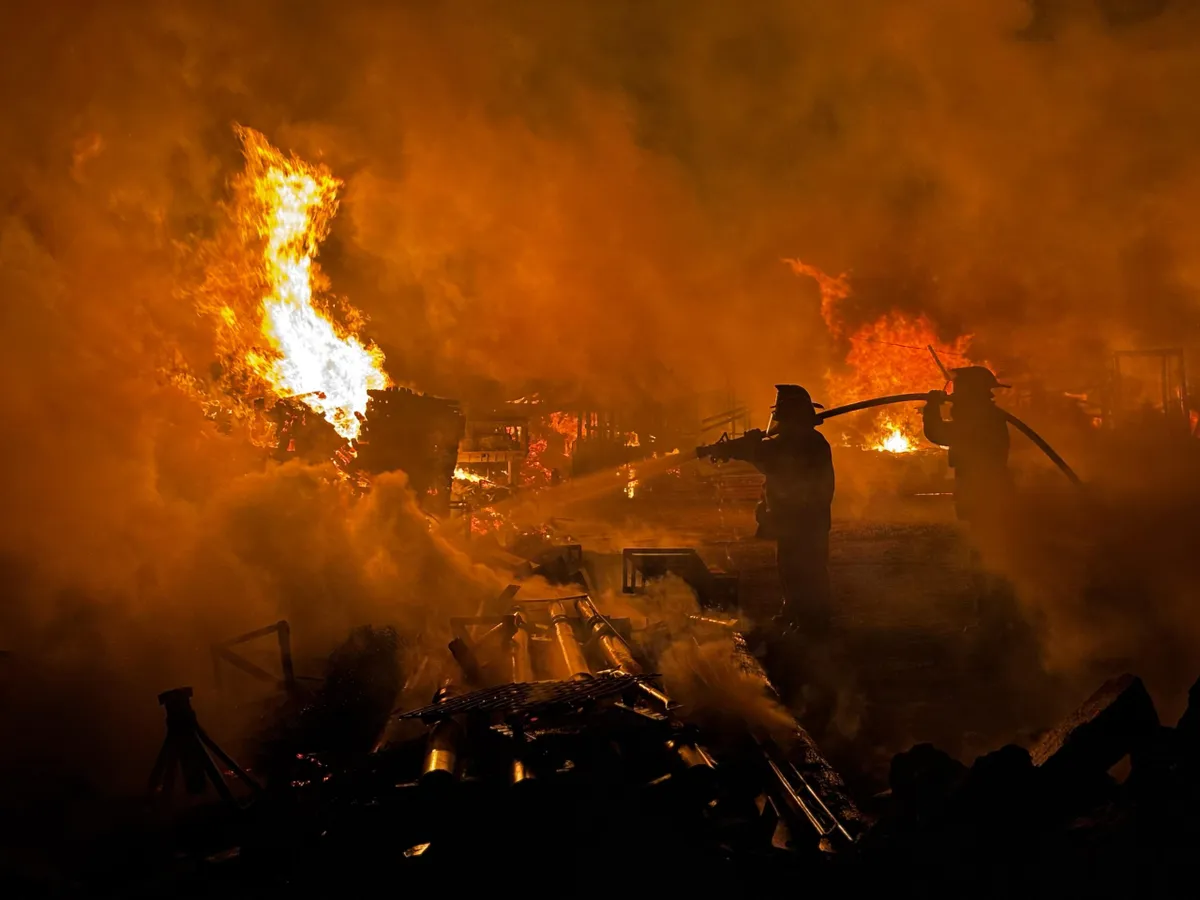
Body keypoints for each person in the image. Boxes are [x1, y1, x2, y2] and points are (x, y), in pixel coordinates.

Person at [722, 384, 835, 634]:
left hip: (804, 519)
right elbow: (770, 456)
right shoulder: (802, 440)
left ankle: (813, 622)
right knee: (791, 568)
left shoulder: (804, 442)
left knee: (805, 570)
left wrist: (749, 447)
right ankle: (796, 612)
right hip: (797, 519)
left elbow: (772, 460)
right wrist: (744, 448)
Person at [922, 366, 1017, 632]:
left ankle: (994, 619)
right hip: (988, 492)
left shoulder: (978, 418)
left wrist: (931, 409)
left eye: (958, 388)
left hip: (986, 495)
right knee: (990, 555)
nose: (954, 392)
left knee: (987, 557)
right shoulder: (982, 415)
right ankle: (999, 615)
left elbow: (940, 434)